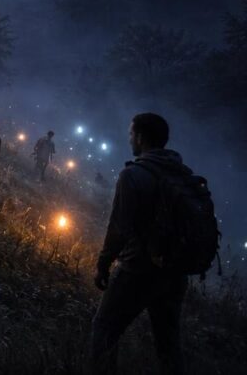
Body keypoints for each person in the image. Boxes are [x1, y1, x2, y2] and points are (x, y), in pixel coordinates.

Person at [91, 113, 188, 375]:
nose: (129, 138)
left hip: (137, 269)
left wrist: (103, 264)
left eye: (131, 134)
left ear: (141, 137)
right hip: (175, 274)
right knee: (168, 346)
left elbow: (119, 228)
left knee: (104, 331)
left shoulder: (133, 174)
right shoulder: (182, 174)